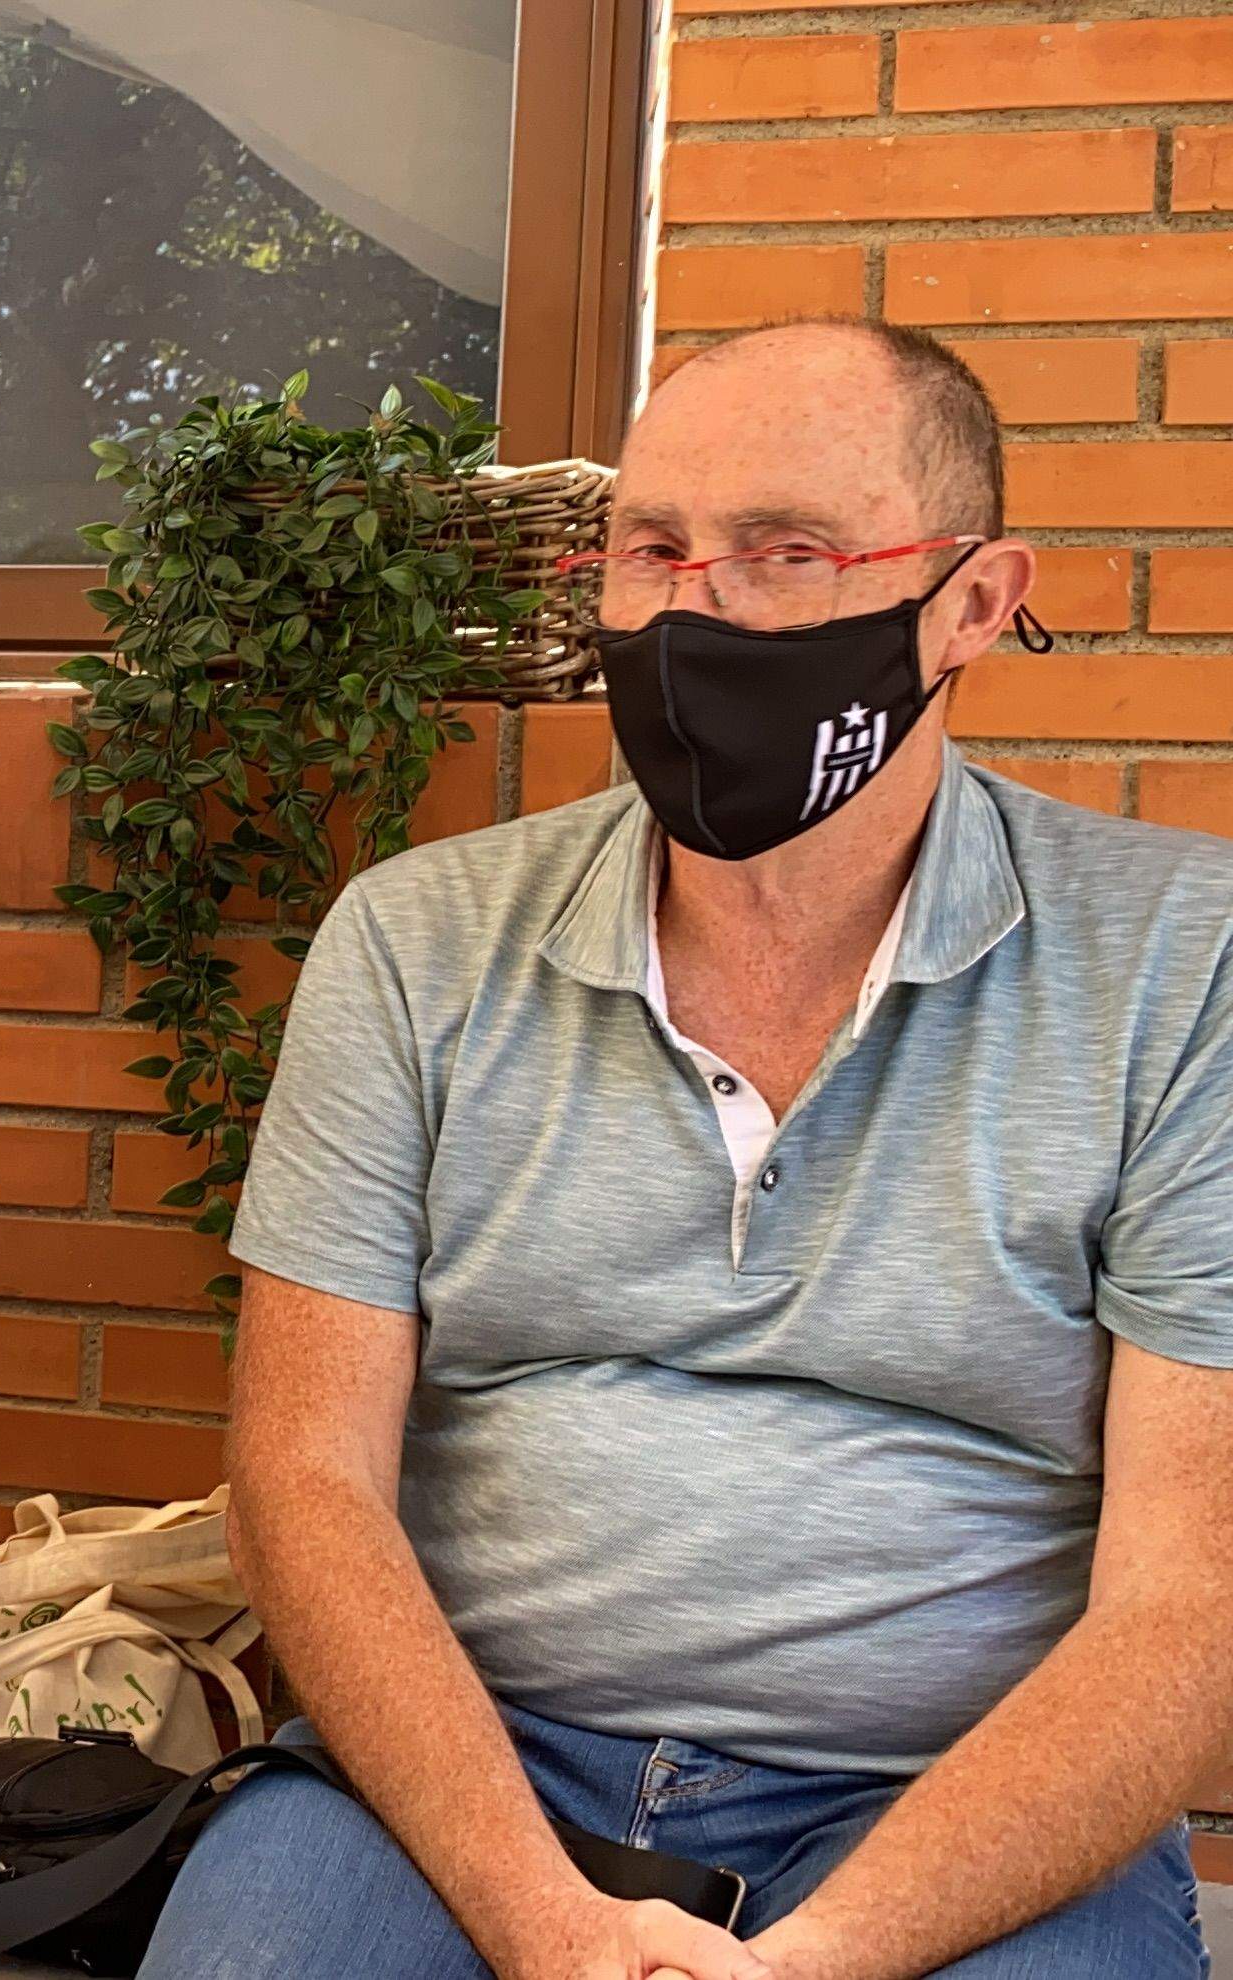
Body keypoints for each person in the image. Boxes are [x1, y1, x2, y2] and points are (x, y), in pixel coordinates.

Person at [137, 316, 1233, 1980]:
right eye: (652, 551)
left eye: (785, 552)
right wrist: (540, 1917)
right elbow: (306, 1478)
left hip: (940, 1796)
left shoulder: (1181, 964)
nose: (692, 608)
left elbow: (1193, 1599)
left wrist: (814, 1960)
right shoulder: (419, 944)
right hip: (475, 1769)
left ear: (975, 603)